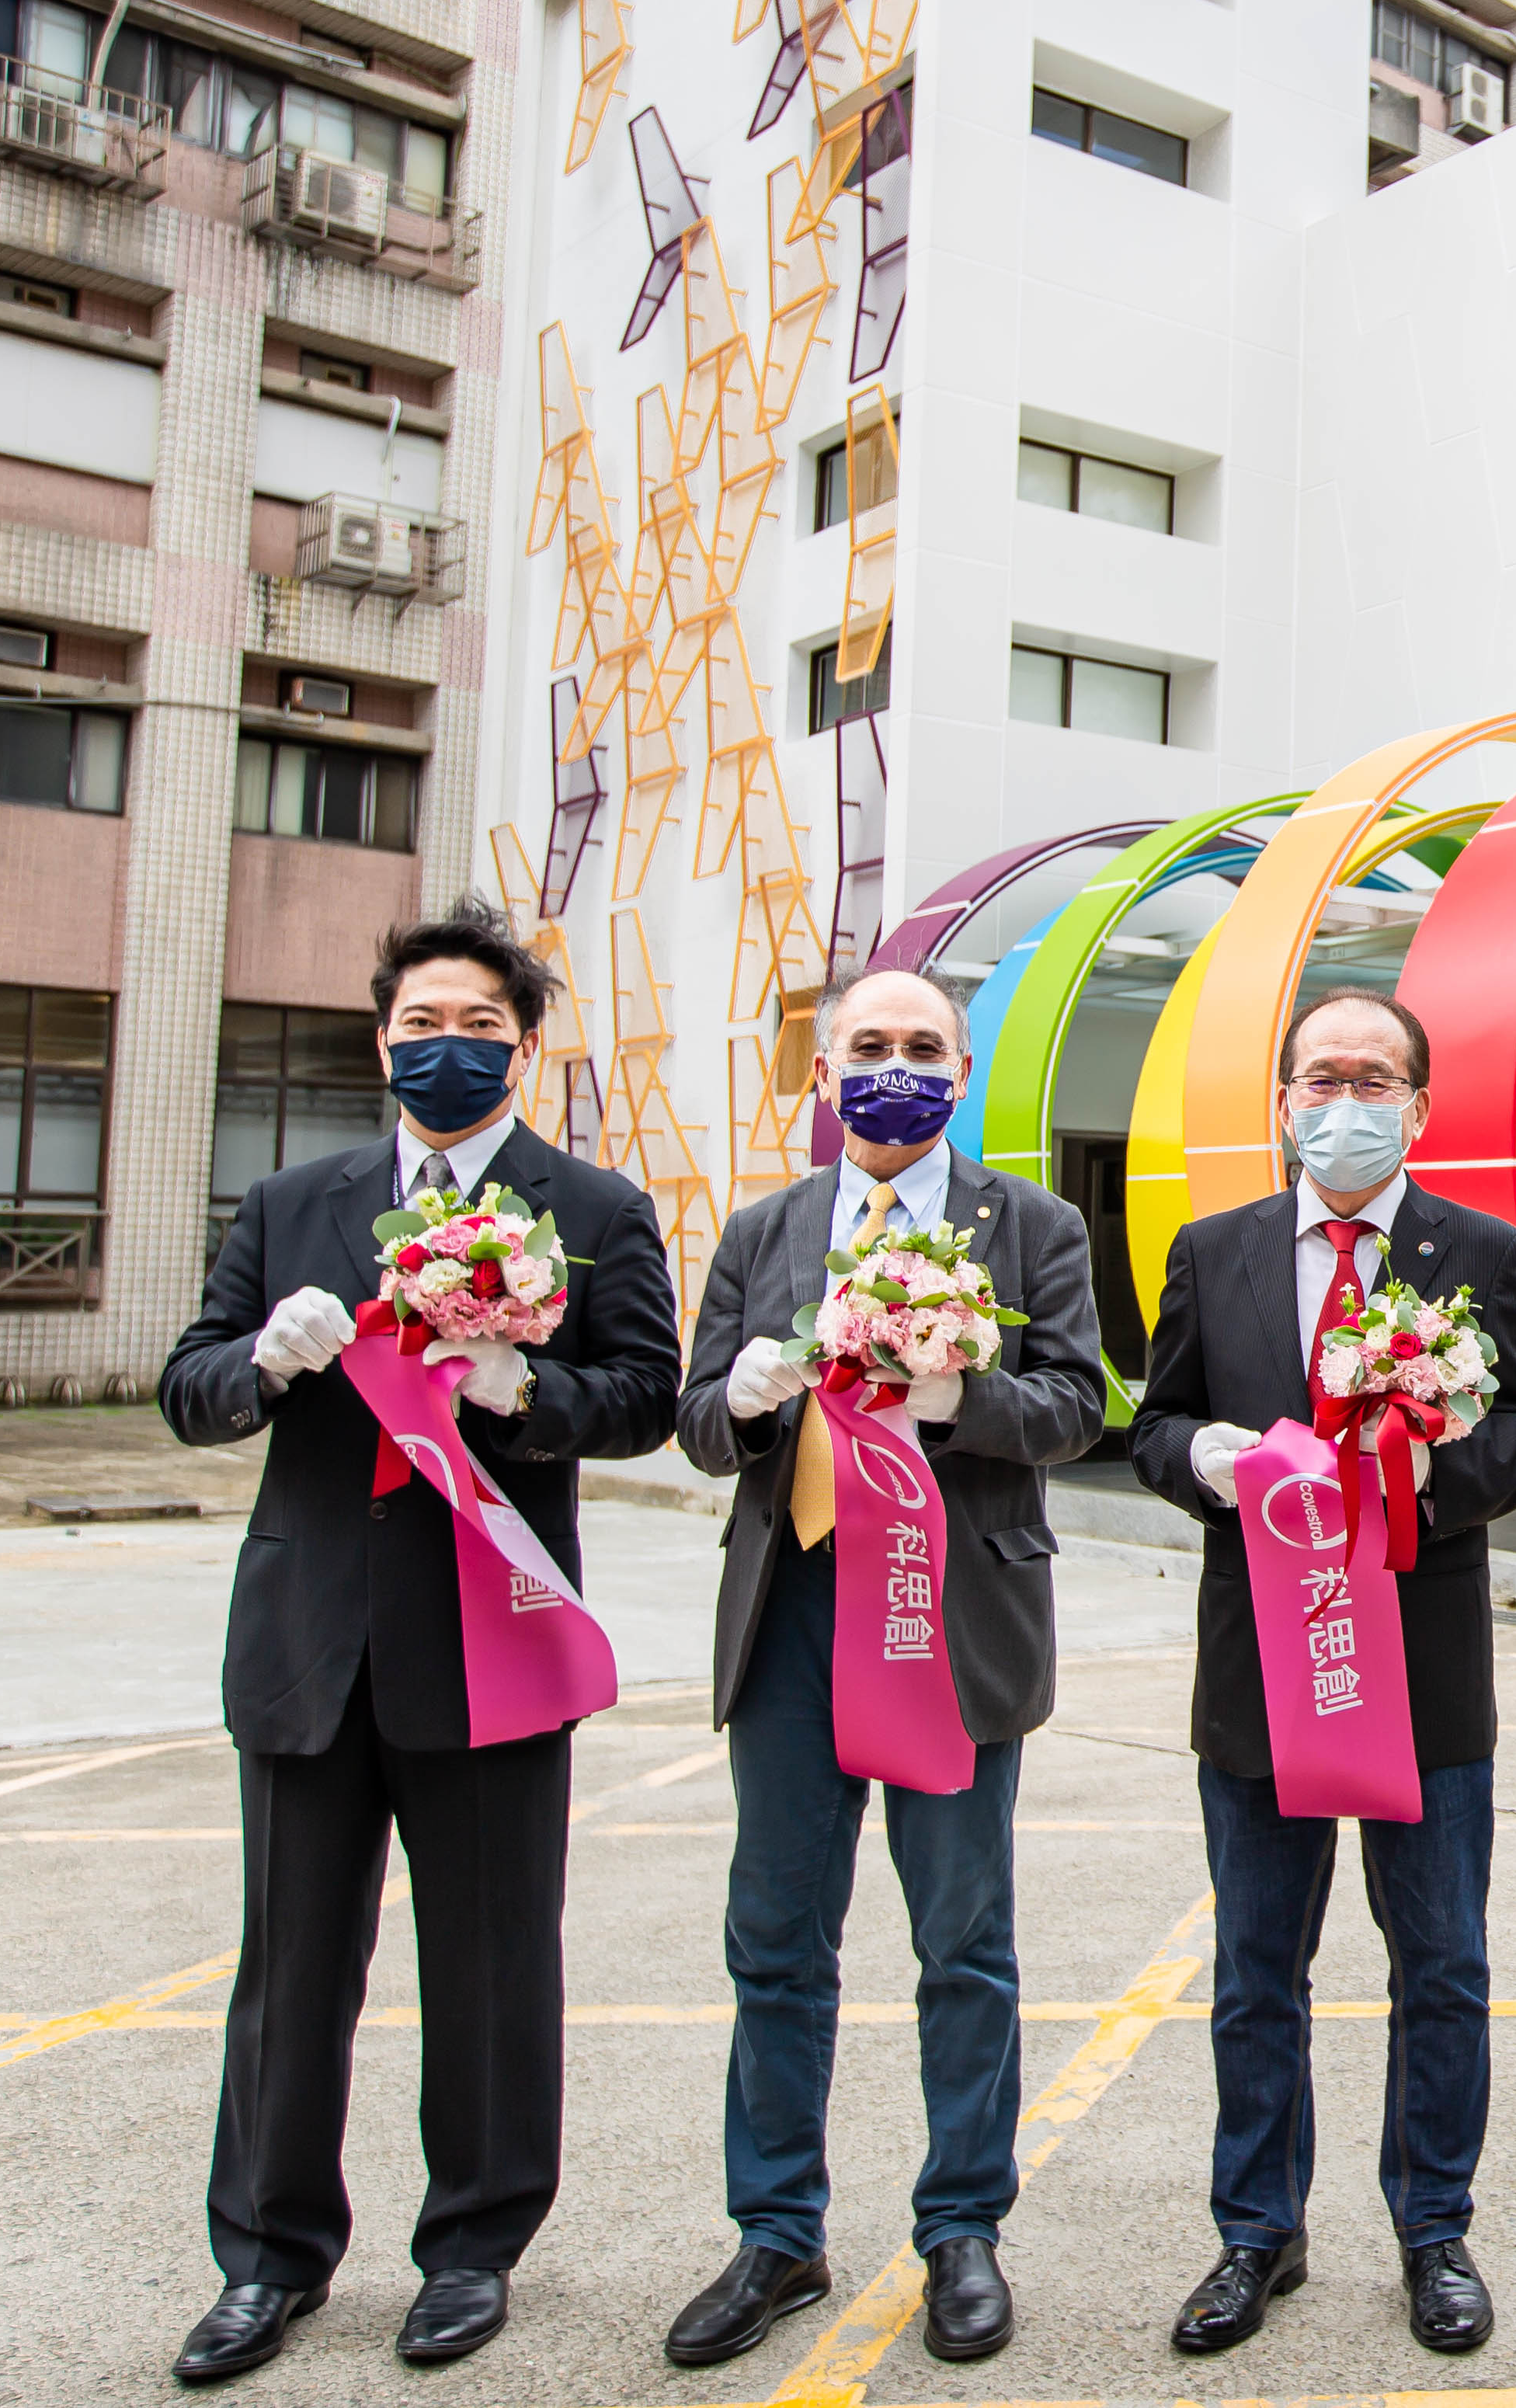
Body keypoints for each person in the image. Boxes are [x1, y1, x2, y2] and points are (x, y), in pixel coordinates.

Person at [156, 903, 678, 2385]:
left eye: (478, 1028)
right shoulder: (290, 1203)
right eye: (421, 1024)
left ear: (524, 1045)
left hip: (491, 1631)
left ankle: (472, 2245)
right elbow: (189, 1387)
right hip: (312, 1644)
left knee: (495, 1958)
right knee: (293, 1962)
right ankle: (267, 2257)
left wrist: (523, 1389)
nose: (446, 1049)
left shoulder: (590, 1205)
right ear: (378, 1035)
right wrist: (266, 1358)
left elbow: (644, 1394)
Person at [657, 969, 1110, 2372]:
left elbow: (1081, 1404)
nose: (896, 1067)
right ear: (823, 1069)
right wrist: (733, 1402)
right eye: (871, 1047)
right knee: (777, 1940)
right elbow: (692, 1417)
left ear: (961, 1068)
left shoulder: (1032, 1227)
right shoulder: (764, 1230)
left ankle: (963, 2226)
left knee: (962, 1941)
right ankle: (777, 2230)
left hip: (952, 1629)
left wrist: (954, 1397)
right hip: (795, 1616)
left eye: (924, 1048)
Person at [1124, 989, 1516, 2359]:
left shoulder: (1480, 1251)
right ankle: (1258, 2228)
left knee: (1441, 1962)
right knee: (1260, 1966)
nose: (1346, 1101)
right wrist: (1209, 1461)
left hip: (1424, 1674)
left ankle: (1435, 2227)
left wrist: (1426, 1472)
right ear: (1284, 1100)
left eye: (1374, 1079)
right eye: (1322, 1077)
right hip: (1263, 1671)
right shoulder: (1217, 1248)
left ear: (1421, 1108)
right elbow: (1155, 1424)